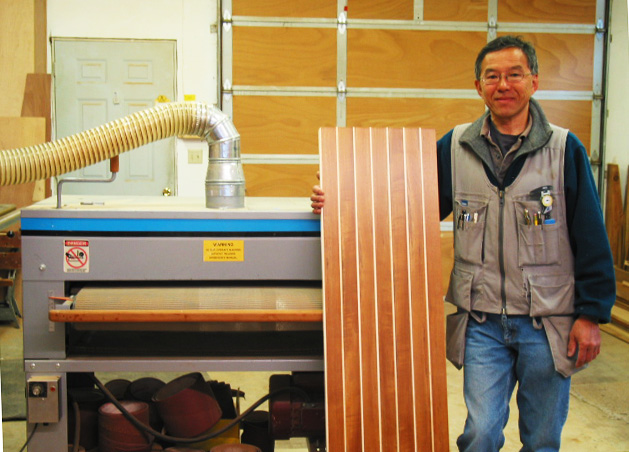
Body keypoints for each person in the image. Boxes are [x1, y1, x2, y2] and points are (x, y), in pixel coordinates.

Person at [310, 35, 616, 451]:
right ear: (478, 86)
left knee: (543, 438)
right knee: (480, 433)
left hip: (547, 324)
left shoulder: (564, 149)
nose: (503, 85)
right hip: (482, 324)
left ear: (534, 82)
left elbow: (592, 237)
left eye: (514, 75)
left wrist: (591, 315)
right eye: (492, 76)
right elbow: (401, 203)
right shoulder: (455, 148)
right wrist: (340, 198)